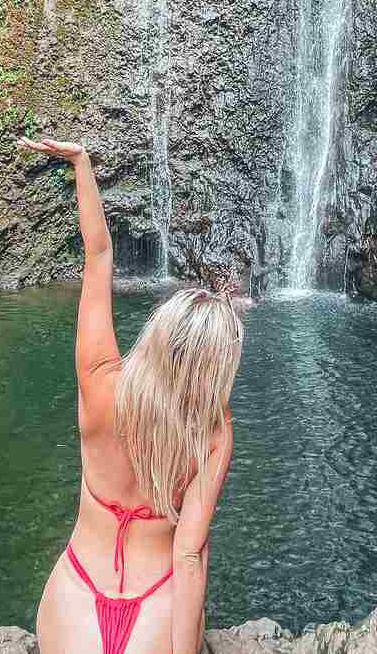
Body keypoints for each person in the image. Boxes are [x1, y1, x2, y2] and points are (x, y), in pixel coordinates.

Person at [19, 136, 243, 654]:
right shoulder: (213, 433)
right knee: (199, 548)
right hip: (153, 609)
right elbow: (188, 559)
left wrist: (82, 163)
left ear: (160, 334)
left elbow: (98, 257)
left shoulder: (100, 381)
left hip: (74, 601)